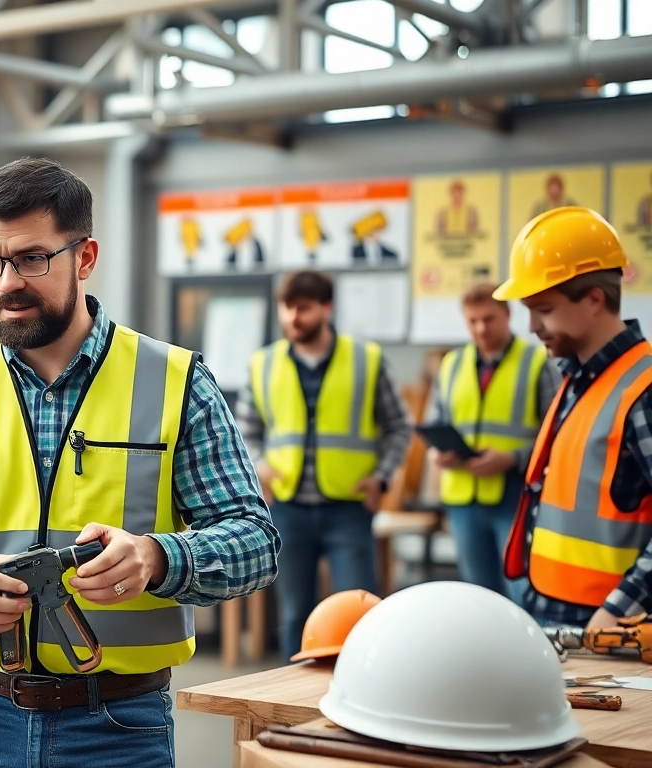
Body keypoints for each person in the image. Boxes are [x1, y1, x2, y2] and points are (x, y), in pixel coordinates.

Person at [0, 157, 279, 768]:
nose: (7, 282)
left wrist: (157, 558)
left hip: (117, 728)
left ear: (84, 257)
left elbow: (255, 542)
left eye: (32, 258)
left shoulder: (175, 382)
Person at [235, 269, 412, 663]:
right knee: (295, 614)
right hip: (287, 508)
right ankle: (292, 693)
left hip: (348, 508)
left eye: (304, 308)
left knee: (359, 610)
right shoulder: (264, 364)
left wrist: (382, 478)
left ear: (326, 308)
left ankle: (364, 685)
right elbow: (245, 431)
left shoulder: (367, 361)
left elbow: (399, 426)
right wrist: (260, 466)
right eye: (287, 308)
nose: (293, 317)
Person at [493, 207, 652, 631]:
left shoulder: (644, 387)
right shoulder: (577, 379)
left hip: (605, 627)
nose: (532, 326)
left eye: (543, 309)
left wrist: (617, 610)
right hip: (552, 610)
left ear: (595, 300)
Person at [424, 283, 558, 604]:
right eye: (473, 321)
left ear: (507, 315)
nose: (481, 329)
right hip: (463, 497)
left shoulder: (537, 361)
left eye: (488, 319)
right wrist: (437, 453)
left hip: (515, 494)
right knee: (478, 597)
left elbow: (558, 432)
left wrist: (513, 458)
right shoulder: (451, 363)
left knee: (521, 590)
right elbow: (435, 420)